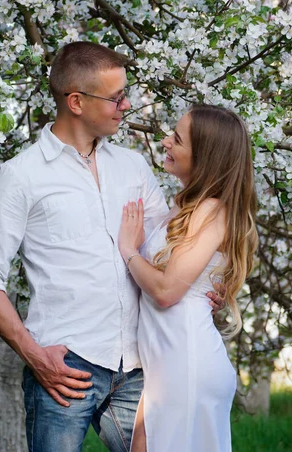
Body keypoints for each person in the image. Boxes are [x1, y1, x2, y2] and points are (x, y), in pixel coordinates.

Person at [0, 42, 224, 452]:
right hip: (65, 367)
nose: (126, 105)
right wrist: (34, 355)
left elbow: (169, 244)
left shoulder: (133, 166)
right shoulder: (20, 177)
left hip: (140, 366)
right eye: (116, 97)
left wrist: (206, 283)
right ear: (76, 102)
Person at [118, 105, 259, 452]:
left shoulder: (210, 210)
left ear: (205, 157)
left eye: (177, 139)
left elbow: (166, 291)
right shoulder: (187, 207)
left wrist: (129, 250)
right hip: (169, 361)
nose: (165, 141)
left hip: (185, 360)